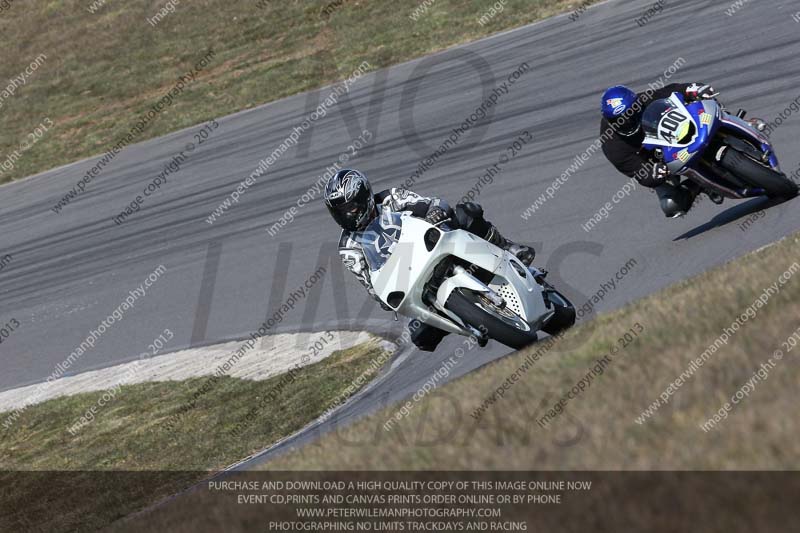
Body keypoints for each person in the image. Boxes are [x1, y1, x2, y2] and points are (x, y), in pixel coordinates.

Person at [324, 168, 534, 352]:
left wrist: (434, 212)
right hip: (409, 278)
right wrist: (384, 297)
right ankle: (468, 323)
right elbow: (369, 282)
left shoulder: (390, 198)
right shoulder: (348, 246)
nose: (347, 215)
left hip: (433, 244)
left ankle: (505, 245)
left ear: (364, 197)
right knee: (420, 337)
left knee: (465, 213)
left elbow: (431, 203)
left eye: (350, 208)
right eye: (339, 212)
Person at [600, 83, 766, 218]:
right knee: (671, 205)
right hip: (661, 159)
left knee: (708, 104)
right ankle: (698, 184)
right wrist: (653, 173)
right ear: (611, 121)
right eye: (621, 120)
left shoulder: (644, 99)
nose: (629, 121)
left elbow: (671, 91)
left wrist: (693, 90)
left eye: (633, 112)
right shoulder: (612, 145)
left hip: (679, 131)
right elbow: (637, 171)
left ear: (637, 104)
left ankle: (742, 123)